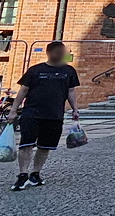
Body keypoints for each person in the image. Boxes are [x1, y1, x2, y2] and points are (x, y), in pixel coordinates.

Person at [5, 40, 81, 191]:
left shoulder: (69, 71)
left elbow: (71, 91)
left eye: (62, 52)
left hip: (54, 114)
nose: (60, 55)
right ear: (49, 53)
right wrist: (13, 110)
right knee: (26, 144)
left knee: (45, 146)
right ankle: (22, 174)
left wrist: (75, 109)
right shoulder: (35, 70)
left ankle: (35, 173)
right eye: (57, 52)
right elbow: (23, 90)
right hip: (32, 113)